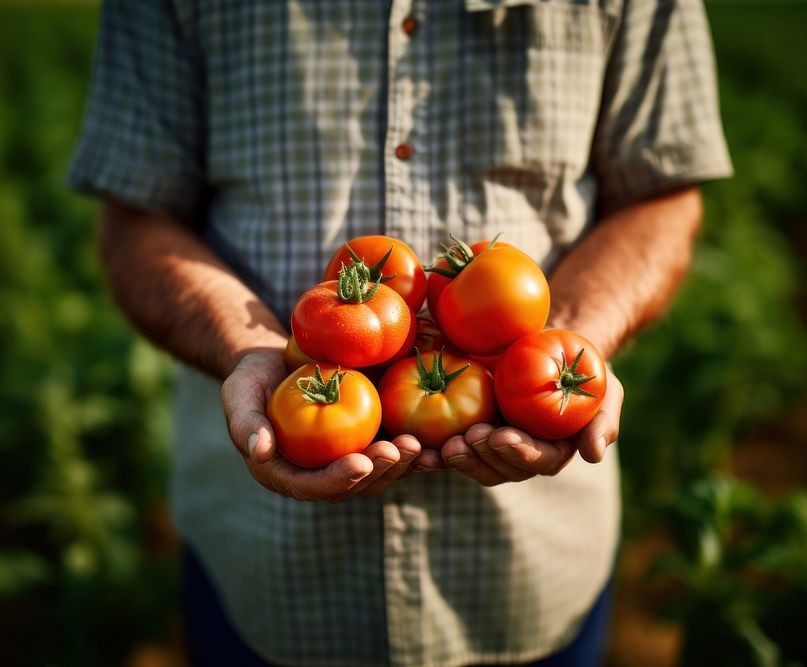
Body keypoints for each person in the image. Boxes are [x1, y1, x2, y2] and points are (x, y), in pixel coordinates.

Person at [69, 1, 731, 665]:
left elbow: (662, 196)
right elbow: (135, 217)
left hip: (533, 565)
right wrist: (251, 349)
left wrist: (572, 339)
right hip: (258, 554)